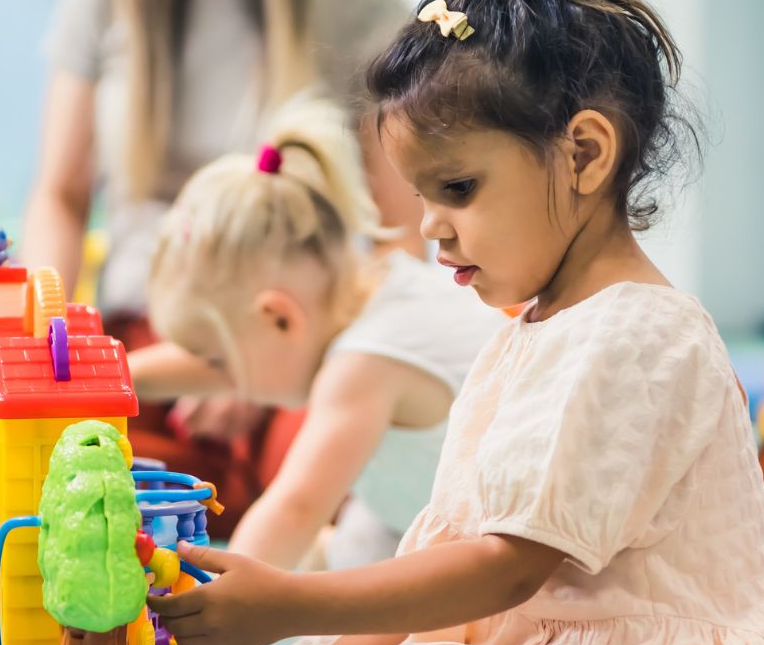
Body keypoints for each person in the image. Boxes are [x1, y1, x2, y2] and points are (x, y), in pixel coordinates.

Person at [148, 0, 764, 645]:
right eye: (423, 196)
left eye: (459, 189)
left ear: (584, 153)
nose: (431, 226)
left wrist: (288, 601)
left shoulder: (640, 335)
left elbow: (501, 570)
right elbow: (444, 565)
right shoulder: (527, 332)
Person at [22, 0, 416, 532]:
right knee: (20, 467)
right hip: (141, 336)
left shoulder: (362, 7)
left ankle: (212, 505)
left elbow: (398, 239)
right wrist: (44, 350)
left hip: (294, 342)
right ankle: (210, 503)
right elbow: (60, 196)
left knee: (354, 481)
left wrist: (259, 369)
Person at [132, 99, 504, 571]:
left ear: (280, 318)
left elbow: (294, 510)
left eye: (219, 361)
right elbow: (228, 365)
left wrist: (209, 598)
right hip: (412, 518)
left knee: (332, 582)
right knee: (356, 541)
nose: (222, 378)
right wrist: (121, 376)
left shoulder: (365, 362)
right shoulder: (378, 285)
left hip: (489, 548)